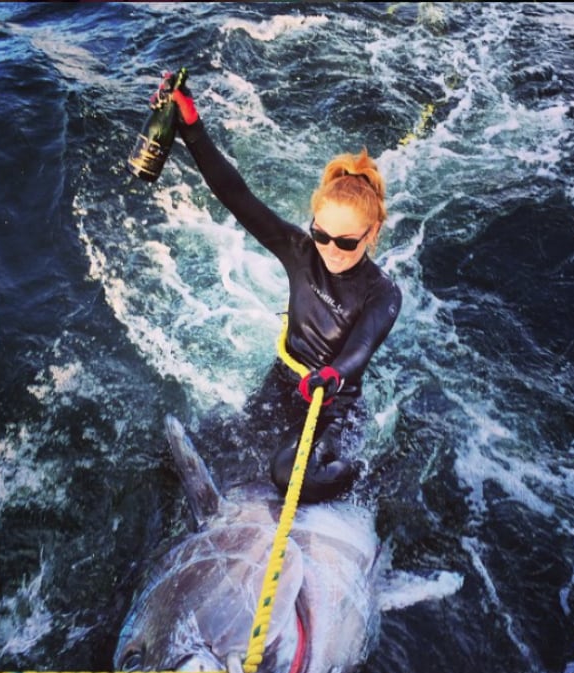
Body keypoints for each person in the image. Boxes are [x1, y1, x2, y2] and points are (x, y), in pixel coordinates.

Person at [170, 80, 402, 503]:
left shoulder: (382, 293)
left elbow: (361, 347)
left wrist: (331, 375)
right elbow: (237, 196)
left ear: (373, 234)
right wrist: (192, 129)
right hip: (282, 384)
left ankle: (364, 471)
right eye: (322, 235)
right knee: (196, 444)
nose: (331, 250)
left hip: (332, 405)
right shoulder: (300, 253)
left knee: (285, 474)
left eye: (347, 242)